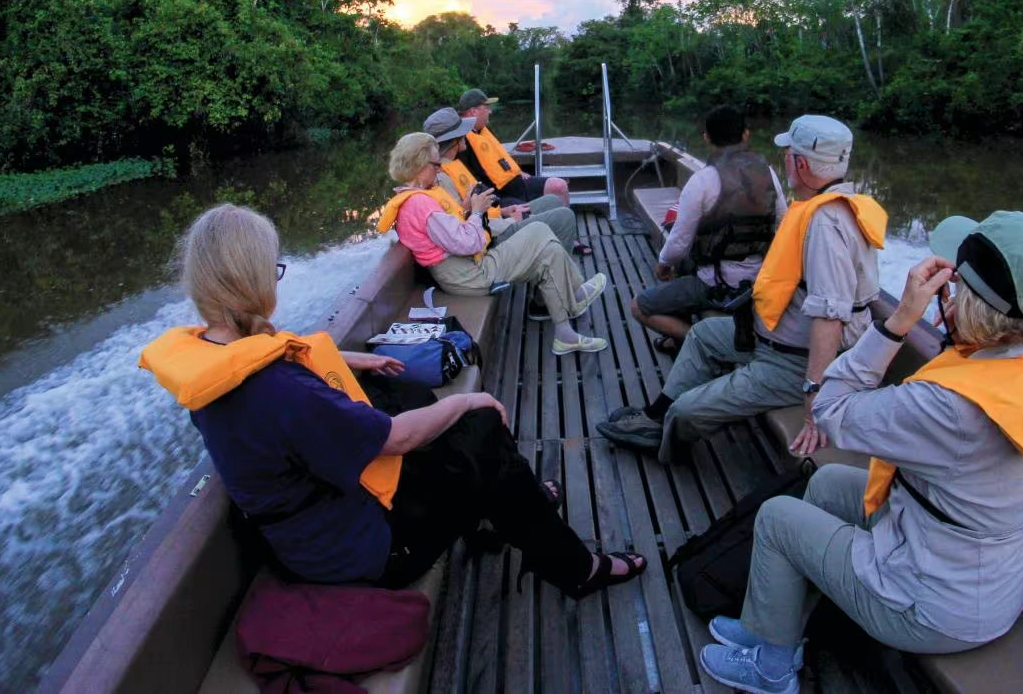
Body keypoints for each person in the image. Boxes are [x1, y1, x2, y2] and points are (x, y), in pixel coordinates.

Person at [696, 211, 1023, 693]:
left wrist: (901, 318)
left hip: (936, 607)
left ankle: (770, 668)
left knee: (777, 518)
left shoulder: (949, 406)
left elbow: (829, 407)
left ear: (967, 302)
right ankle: (776, 625)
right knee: (825, 482)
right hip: (989, 571)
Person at [138, 204, 646, 601]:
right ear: (252, 280)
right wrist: (472, 402)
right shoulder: (277, 391)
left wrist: (354, 361)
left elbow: (283, 371)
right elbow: (397, 437)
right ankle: (575, 569)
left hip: (316, 522)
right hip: (361, 550)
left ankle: (501, 508)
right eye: (272, 268)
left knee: (402, 392)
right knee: (481, 432)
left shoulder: (211, 352)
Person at [598, 115, 885, 463]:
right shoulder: (828, 206)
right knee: (703, 335)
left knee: (686, 412)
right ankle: (655, 415)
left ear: (802, 164)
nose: (784, 160)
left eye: (789, 155)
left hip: (794, 363)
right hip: (773, 338)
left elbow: (830, 318)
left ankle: (665, 435)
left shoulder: (826, 225)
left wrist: (814, 400)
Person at [378, 132, 609, 356]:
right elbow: (467, 243)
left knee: (546, 249)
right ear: (420, 164)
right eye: (435, 165)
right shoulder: (420, 204)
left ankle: (564, 332)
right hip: (468, 274)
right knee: (539, 232)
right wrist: (477, 212)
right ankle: (575, 297)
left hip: (463, 267)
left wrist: (467, 209)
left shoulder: (413, 198)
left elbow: (449, 235)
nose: (439, 170)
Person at [633, 105, 786, 356]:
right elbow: (783, 223)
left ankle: (701, 340)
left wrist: (663, 264)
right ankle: (684, 340)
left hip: (715, 284)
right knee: (685, 267)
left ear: (706, 138)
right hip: (760, 280)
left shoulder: (703, 181)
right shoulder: (768, 172)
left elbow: (679, 243)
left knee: (639, 306)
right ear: (746, 135)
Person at [423, 106, 578, 251]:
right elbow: (462, 225)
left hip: (494, 220)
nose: (466, 134)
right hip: (492, 236)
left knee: (554, 201)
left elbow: (471, 210)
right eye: (462, 131)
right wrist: (509, 219)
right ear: (454, 140)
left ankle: (555, 263)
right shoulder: (440, 178)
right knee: (565, 217)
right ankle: (555, 271)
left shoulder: (454, 164)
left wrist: (503, 211)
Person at [456, 88, 569, 206]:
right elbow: (473, 182)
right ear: (474, 111)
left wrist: (518, 171)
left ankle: (567, 223)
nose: (490, 112)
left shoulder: (483, 130)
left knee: (559, 186)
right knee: (528, 212)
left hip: (516, 182)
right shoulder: (461, 141)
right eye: (486, 108)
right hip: (500, 195)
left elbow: (499, 155)